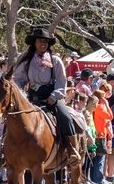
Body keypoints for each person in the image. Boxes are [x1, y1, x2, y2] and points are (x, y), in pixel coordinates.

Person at [11, 28, 80, 165]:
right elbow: (18, 80)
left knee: (65, 116)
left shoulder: (55, 61)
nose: (43, 43)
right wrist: (20, 95)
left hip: (52, 98)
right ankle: (2, 150)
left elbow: (61, 82)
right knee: (12, 117)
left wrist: (54, 96)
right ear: (34, 42)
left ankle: (72, 149)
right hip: (31, 99)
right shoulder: (26, 61)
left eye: (46, 41)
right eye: (40, 41)